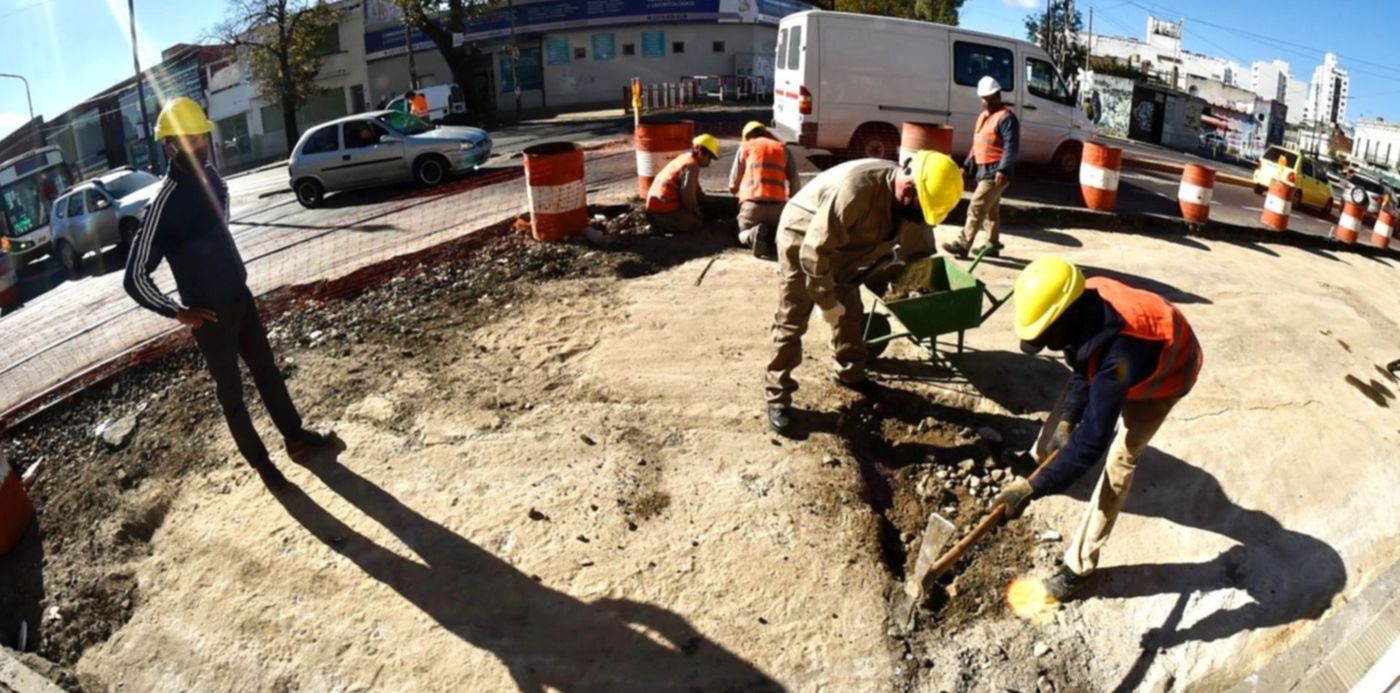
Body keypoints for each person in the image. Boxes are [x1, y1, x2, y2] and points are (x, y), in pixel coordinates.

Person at [123, 97, 334, 491]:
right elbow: (134, 277)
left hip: (240, 297)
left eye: (201, 137)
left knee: (267, 371)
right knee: (232, 394)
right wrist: (178, 312)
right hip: (210, 318)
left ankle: (297, 439)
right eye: (189, 140)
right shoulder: (161, 205)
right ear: (169, 146)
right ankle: (263, 466)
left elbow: (222, 221)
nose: (199, 146)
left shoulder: (214, 180)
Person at [993, 257, 1203, 601]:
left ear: (1065, 316)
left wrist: (1033, 491)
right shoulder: (1082, 297)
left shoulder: (1119, 356)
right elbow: (1082, 366)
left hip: (1168, 371)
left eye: (1046, 337)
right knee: (1068, 403)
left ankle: (1078, 568)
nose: (1046, 346)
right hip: (1131, 352)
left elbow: (1093, 440)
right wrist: (1066, 421)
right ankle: (1040, 461)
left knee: (1121, 459)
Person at [764, 151, 964, 435]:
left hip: (849, 242)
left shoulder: (914, 202)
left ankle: (851, 373)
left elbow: (918, 251)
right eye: (922, 210)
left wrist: (926, 289)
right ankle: (778, 395)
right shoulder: (858, 189)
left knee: (851, 312)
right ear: (908, 189)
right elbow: (815, 250)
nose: (921, 217)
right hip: (803, 235)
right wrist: (825, 298)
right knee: (794, 316)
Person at [943, 75, 1019, 260]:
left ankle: (963, 244)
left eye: (989, 97)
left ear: (997, 95)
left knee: (977, 206)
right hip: (983, 169)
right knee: (991, 210)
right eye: (984, 98)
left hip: (995, 171)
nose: (986, 101)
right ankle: (992, 244)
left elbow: (1012, 146)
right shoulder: (984, 117)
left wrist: (1003, 170)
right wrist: (967, 166)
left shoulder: (1007, 118)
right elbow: (977, 145)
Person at [729, 121, 801, 257]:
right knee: (774, 234)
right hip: (778, 208)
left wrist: (734, 190)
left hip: (752, 207)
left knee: (741, 234)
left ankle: (751, 235)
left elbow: (733, 183)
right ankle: (771, 238)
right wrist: (792, 200)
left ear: (748, 136)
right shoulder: (782, 148)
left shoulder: (745, 147)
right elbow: (794, 180)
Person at [645, 134, 719, 235]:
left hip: (655, 208)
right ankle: (661, 227)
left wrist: (705, 201)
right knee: (697, 224)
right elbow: (688, 197)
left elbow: (695, 189)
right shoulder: (691, 166)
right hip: (663, 213)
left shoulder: (685, 158)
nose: (709, 162)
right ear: (701, 153)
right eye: (709, 158)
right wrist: (697, 212)